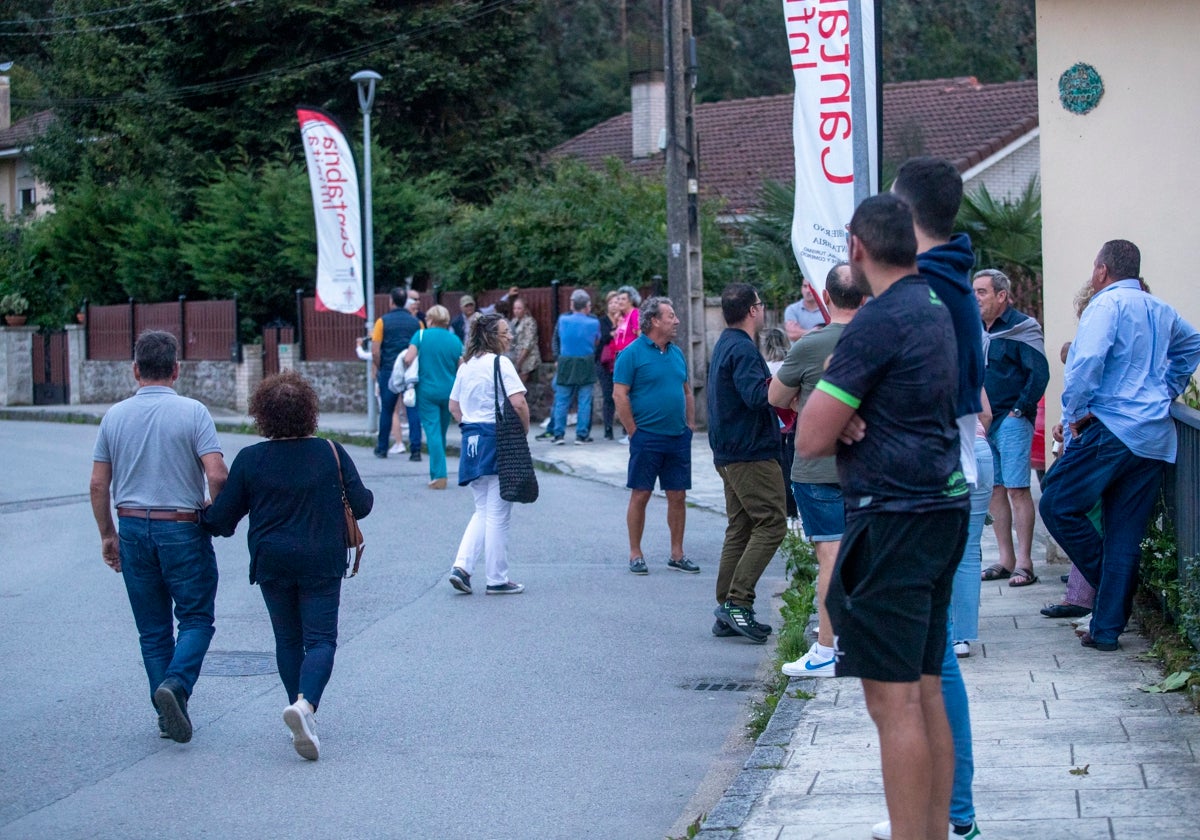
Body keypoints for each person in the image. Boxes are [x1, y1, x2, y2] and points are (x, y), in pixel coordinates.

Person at [797, 194, 969, 840]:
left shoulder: (873, 323)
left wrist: (837, 415)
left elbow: (810, 438)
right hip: (940, 507)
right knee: (925, 692)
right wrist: (848, 414)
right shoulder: (934, 305)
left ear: (856, 248)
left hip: (892, 515)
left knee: (891, 701)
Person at [200, 372, 373, 760]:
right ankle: (305, 706)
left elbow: (222, 520)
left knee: (288, 640)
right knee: (322, 640)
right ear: (310, 411)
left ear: (262, 415)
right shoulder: (330, 452)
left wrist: (199, 516)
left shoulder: (250, 459)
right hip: (322, 559)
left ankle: (298, 707)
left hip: (272, 561)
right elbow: (361, 505)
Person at [1040, 239, 1200, 652]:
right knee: (1124, 533)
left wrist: (1072, 414)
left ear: (1101, 271)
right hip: (1153, 436)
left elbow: (1085, 362)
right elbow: (1191, 344)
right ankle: (1106, 630)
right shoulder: (1160, 309)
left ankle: (1113, 593)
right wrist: (1168, 388)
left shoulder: (1105, 306)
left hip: (1111, 428)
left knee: (1056, 502)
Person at [89, 330, 228, 744]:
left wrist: (107, 536)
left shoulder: (114, 416)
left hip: (131, 525)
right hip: (182, 525)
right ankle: (177, 686)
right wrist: (215, 513)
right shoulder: (193, 412)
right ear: (176, 369)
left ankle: (167, 714)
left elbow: (99, 485)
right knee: (197, 618)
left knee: (152, 631)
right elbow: (217, 472)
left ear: (135, 370)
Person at [768, 263, 864, 677]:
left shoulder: (810, 344)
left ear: (825, 298)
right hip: (868, 466)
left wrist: (805, 405)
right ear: (866, 297)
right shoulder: (878, 342)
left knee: (829, 556)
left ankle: (827, 650)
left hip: (817, 466)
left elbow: (775, 395)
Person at [707, 283, 786, 643]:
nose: (763, 308)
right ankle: (738, 602)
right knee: (771, 523)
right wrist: (786, 382)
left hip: (729, 451)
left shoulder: (726, 343)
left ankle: (727, 608)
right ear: (753, 311)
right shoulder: (741, 348)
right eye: (760, 303)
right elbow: (756, 396)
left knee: (740, 527)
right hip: (750, 453)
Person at [973, 268, 1050, 587]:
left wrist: (1021, 409)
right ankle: (1004, 559)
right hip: (981, 420)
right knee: (995, 490)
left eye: (982, 292)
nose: (975, 298)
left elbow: (1039, 372)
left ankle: (1025, 562)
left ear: (1002, 296)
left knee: (1018, 489)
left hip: (1011, 419)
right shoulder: (974, 329)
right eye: (973, 291)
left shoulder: (1022, 328)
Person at [613, 296, 698, 576]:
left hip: (677, 436)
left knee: (678, 495)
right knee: (641, 494)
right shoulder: (631, 354)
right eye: (670, 316)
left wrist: (690, 425)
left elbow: (686, 390)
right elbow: (619, 395)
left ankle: (677, 553)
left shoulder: (677, 353)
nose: (676, 321)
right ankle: (635, 553)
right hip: (646, 436)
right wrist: (633, 431)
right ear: (653, 321)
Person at [447, 313, 530, 595]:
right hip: (497, 439)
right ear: (491, 336)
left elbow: (453, 406)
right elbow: (518, 403)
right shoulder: (500, 363)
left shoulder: (466, 366)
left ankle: (462, 567)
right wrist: (523, 430)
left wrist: (468, 424)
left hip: (471, 440)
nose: (510, 336)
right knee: (498, 514)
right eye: (505, 332)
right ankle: (496, 578)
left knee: (482, 509)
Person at [401, 305, 464, 489]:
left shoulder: (420, 336)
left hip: (427, 391)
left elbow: (408, 358)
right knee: (442, 432)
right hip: (450, 392)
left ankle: (439, 475)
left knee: (432, 431)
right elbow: (462, 366)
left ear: (430, 319)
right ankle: (437, 470)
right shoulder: (454, 340)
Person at [541, 289, 600, 445]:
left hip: (566, 361)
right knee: (584, 400)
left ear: (573, 305)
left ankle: (558, 434)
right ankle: (581, 435)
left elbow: (557, 337)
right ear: (587, 306)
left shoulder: (563, 320)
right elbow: (596, 341)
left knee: (562, 399)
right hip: (586, 361)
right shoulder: (594, 322)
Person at [371, 287, 422, 460]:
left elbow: (375, 350)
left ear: (391, 301)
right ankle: (415, 450)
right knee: (412, 408)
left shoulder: (381, 322)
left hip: (389, 370)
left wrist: (379, 366)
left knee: (387, 409)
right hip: (410, 371)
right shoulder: (416, 323)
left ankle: (382, 447)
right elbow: (420, 346)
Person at [760, 326, 797, 521]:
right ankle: (792, 508)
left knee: (776, 467)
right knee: (790, 467)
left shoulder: (765, 366)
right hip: (790, 420)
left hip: (773, 422)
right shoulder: (788, 365)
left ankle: (779, 507)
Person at [596, 290, 620, 440]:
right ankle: (608, 429)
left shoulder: (625, 319)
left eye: (616, 302)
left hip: (620, 360)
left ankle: (626, 428)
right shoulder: (602, 321)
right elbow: (602, 338)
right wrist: (613, 331)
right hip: (604, 362)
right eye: (611, 303)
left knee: (623, 395)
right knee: (608, 396)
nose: (614, 305)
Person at [506, 295, 541, 389]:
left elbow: (528, 344)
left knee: (519, 385)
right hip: (516, 356)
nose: (516, 311)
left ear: (525, 310)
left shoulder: (530, 322)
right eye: (514, 308)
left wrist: (520, 360)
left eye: (519, 308)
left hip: (529, 357)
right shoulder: (513, 321)